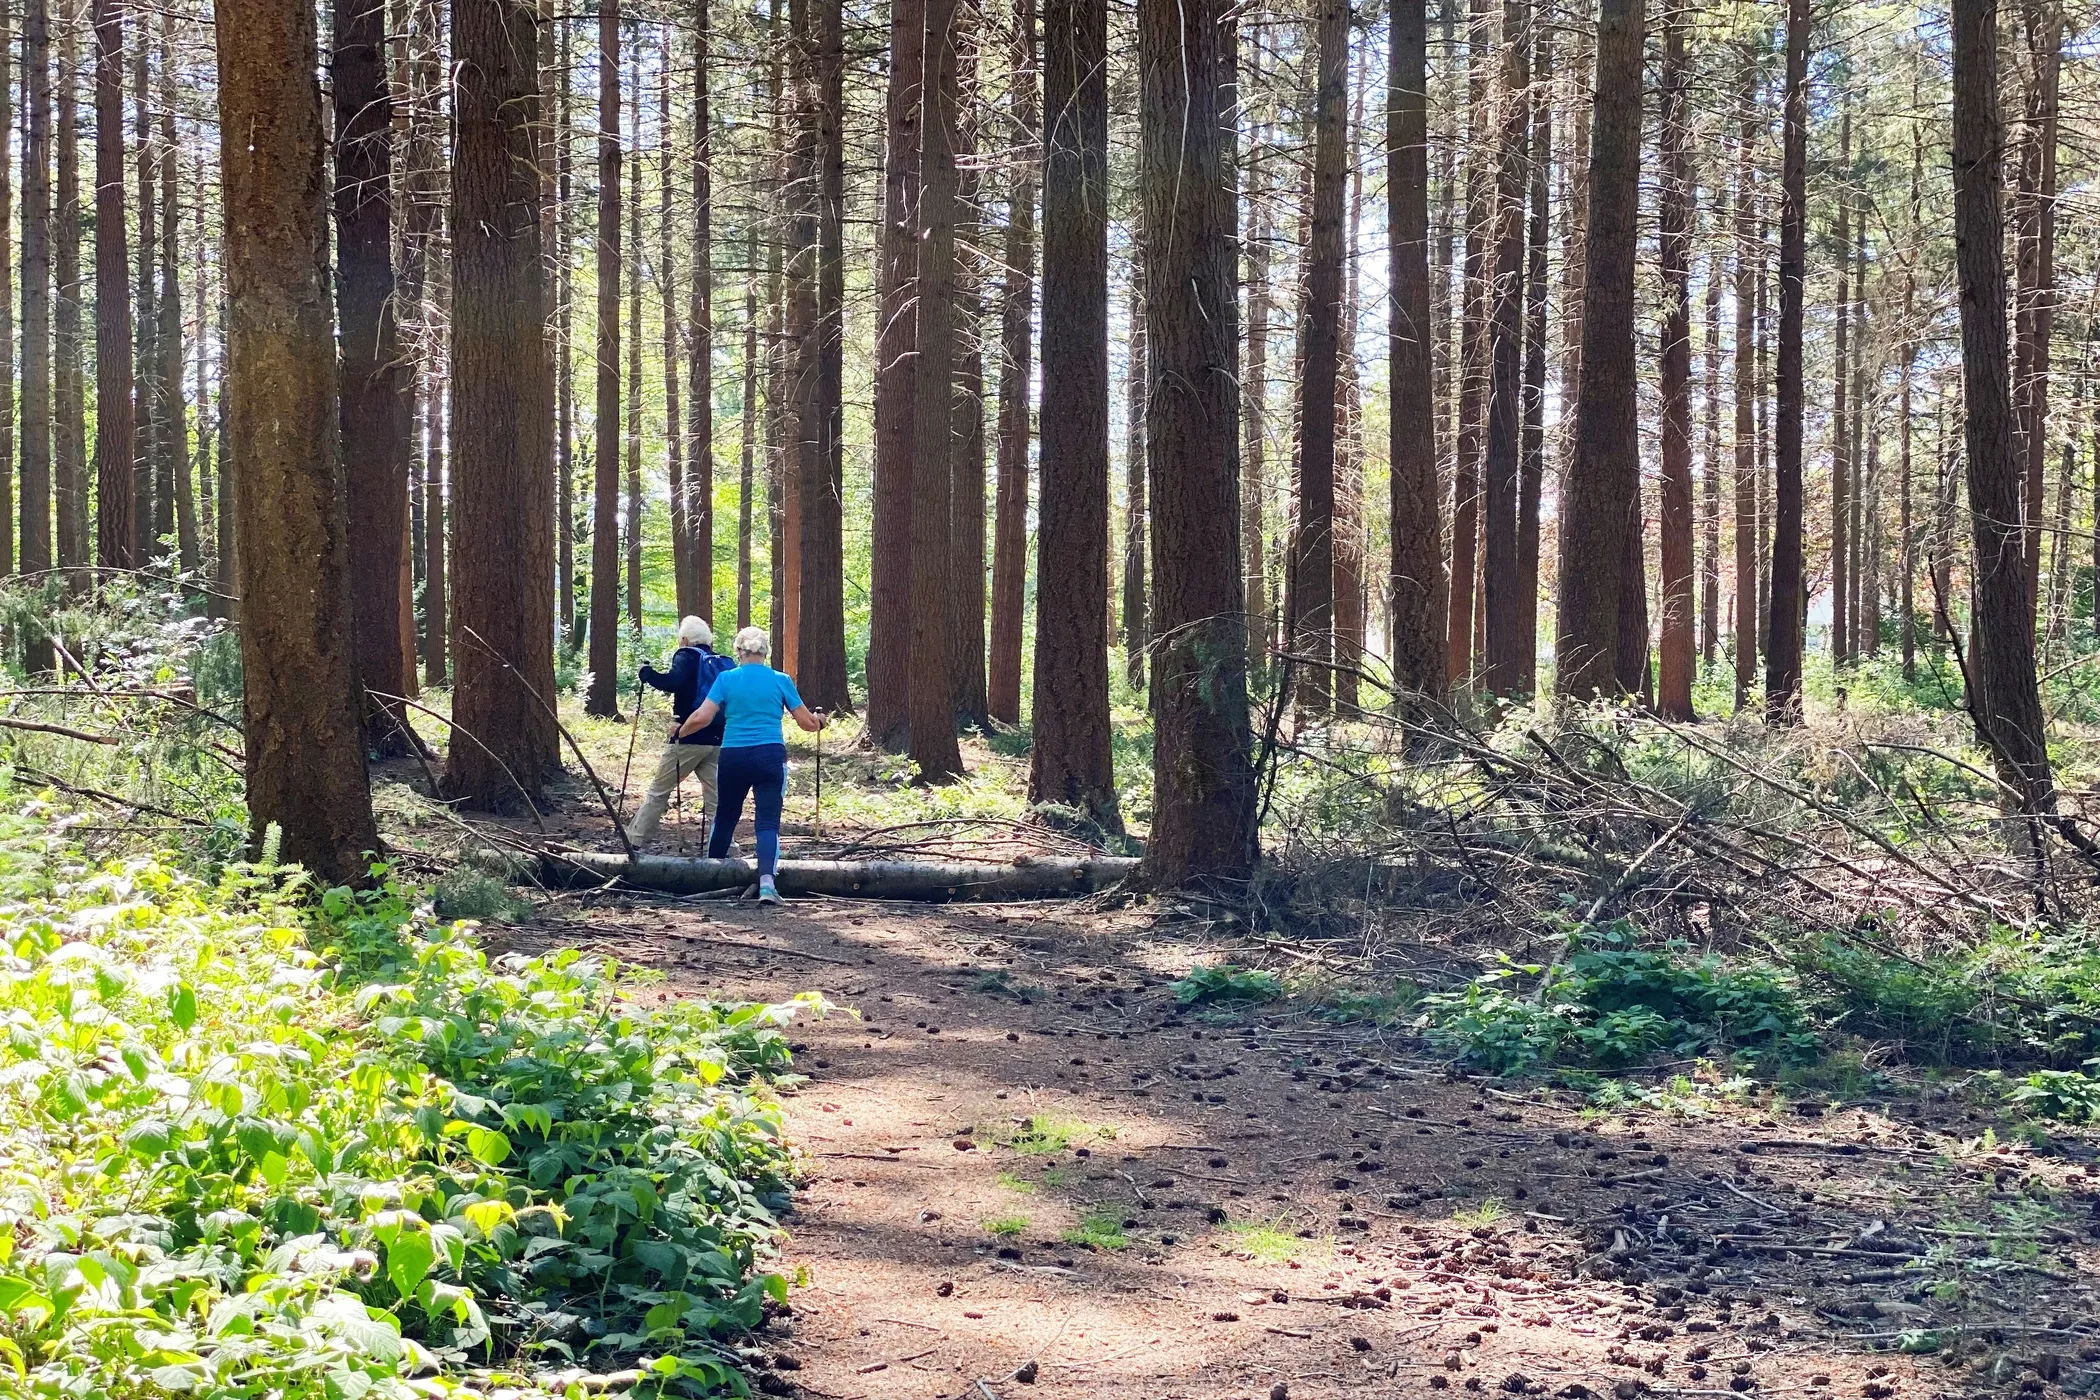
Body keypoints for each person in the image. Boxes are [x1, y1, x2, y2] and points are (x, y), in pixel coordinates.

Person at [676, 625, 826, 904]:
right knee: (767, 823)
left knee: (725, 817)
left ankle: (712, 877)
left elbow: (703, 717)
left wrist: (679, 731)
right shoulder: (781, 679)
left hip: (733, 756)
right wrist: (819, 722)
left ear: (739, 651)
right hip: (770, 756)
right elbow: (807, 723)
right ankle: (767, 885)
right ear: (765, 653)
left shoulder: (726, 679)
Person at [626, 616, 734, 848]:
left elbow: (673, 682)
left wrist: (647, 673)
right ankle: (725, 845)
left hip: (687, 736)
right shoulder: (720, 661)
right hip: (717, 738)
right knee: (715, 797)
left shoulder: (687, 655)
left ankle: (634, 840)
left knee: (659, 790)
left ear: (685, 639)